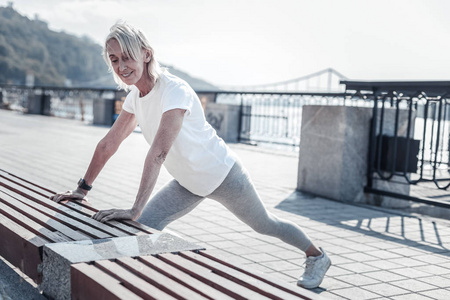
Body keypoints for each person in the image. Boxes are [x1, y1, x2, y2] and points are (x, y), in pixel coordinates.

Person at [50, 22, 331, 289]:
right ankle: (141, 285)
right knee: (144, 228)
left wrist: (134, 208)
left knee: (266, 225)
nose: (121, 66)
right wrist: (82, 189)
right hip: (187, 183)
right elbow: (109, 144)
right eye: (114, 59)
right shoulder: (136, 96)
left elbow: (158, 153)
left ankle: (317, 256)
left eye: (127, 57)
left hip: (222, 175)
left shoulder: (174, 90)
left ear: (146, 54)